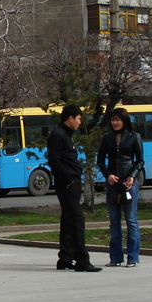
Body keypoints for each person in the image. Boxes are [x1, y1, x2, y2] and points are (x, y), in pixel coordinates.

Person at [46, 104, 100, 272]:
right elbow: (54, 161)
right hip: (67, 184)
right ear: (70, 118)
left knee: (68, 221)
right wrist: (68, 180)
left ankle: (65, 258)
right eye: (78, 119)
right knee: (77, 221)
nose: (79, 122)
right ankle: (82, 261)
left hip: (72, 182)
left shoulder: (67, 135)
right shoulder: (58, 135)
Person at [96, 107, 144, 267]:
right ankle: (115, 257)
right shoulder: (107, 138)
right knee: (114, 221)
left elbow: (140, 160)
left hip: (128, 183)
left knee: (131, 220)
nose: (115, 123)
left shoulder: (134, 137)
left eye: (118, 119)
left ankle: (133, 257)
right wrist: (108, 175)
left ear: (124, 121)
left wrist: (132, 176)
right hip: (112, 183)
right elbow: (101, 160)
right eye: (113, 120)